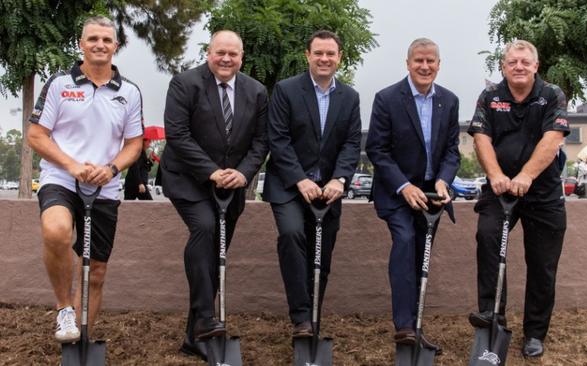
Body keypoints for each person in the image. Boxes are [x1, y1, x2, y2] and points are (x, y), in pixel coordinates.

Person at [26, 16, 143, 343]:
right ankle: (64, 308)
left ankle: (80, 339)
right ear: (81, 44)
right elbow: (36, 135)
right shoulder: (60, 84)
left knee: (97, 272)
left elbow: (134, 143)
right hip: (61, 179)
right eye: (93, 39)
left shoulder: (130, 92)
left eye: (107, 40)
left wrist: (111, 168)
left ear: (115, 47)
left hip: (104, 187)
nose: (100, 45)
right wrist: (73, 165)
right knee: (56, 230)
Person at [159, 30, 269, 360]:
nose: (226, 59)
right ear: (209, 53)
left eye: (232, 54)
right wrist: (210, 171)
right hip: (188, 179)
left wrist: (244, 173)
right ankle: (207, 318)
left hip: (231, 184)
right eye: (220, 52)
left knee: (216, 251)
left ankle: (196, 335)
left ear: (241, 57)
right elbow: (177, 134)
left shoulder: (256, 91)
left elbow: (261, 142)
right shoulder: (185, 84)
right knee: (205, 229)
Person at [467, 40, 570, 358]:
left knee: (542, 265)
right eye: (512, 62)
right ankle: (492, 316)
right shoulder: (490, 96)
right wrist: (496, 175)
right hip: (499, 191)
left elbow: (552, 139)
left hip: (543, 192)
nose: (519, 67)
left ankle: (535, 333)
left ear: (536, 66)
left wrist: (526, 175)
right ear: (503, 66)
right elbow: (481, 138)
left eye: (525, 62)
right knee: (487, 237)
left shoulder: (552, 94)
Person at [263, 30, 361, 338]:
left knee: (323, 250)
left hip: (328, 190)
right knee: (292, 235)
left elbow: (351, 143)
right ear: (307, 55)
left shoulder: (350, 96)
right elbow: (278, 140)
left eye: (330, 54)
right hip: (288, 187)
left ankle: (314, 315)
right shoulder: (286, 90)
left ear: (339, 58)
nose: (324, 59)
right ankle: (301, 319)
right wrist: (300, 179)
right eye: (318, 53)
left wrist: (340, 178)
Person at [365, 38, 459, 351]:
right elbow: (377, 149)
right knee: (405, 241)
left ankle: (415, 327)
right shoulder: (387, 98)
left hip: (433, 194)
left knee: (422, 255)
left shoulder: (449, 100)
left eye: (431, 61)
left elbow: (451, 151)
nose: (425, 66)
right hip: (397, 193)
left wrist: (444, 180)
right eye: (419, 60)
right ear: (408, 63)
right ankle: (404, 326)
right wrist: (404, 186)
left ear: (439, 64)